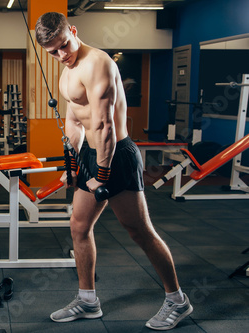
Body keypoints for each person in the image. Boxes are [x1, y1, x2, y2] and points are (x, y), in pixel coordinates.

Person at [35, 12, 193, 331]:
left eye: (64, 45)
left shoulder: (98, 63)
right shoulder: (67, 71)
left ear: (74, 32)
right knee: (79, 226)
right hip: (92, 156)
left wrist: (102, 175)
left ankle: (177, 300)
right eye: (52, 52)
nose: (61, 55)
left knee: (139, 231)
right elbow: (75, 118)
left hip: (116, 156)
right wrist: (75, 162)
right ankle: (88, 300)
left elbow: (105, 124)